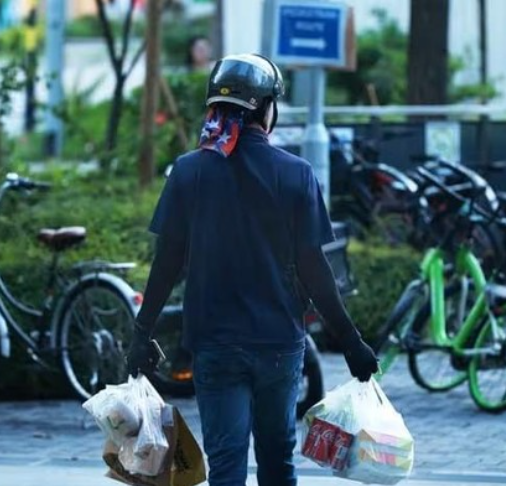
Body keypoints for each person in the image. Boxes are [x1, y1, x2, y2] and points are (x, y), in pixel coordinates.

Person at [127, 53, 378, 486]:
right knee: (278, 461)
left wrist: (141, 334)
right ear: (266, 109)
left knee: (226, 464)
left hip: (215, 344)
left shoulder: (188, 172)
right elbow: (315, 268)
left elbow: (166, 263)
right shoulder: (296, 174)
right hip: (278, 342)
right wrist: (352, 343)